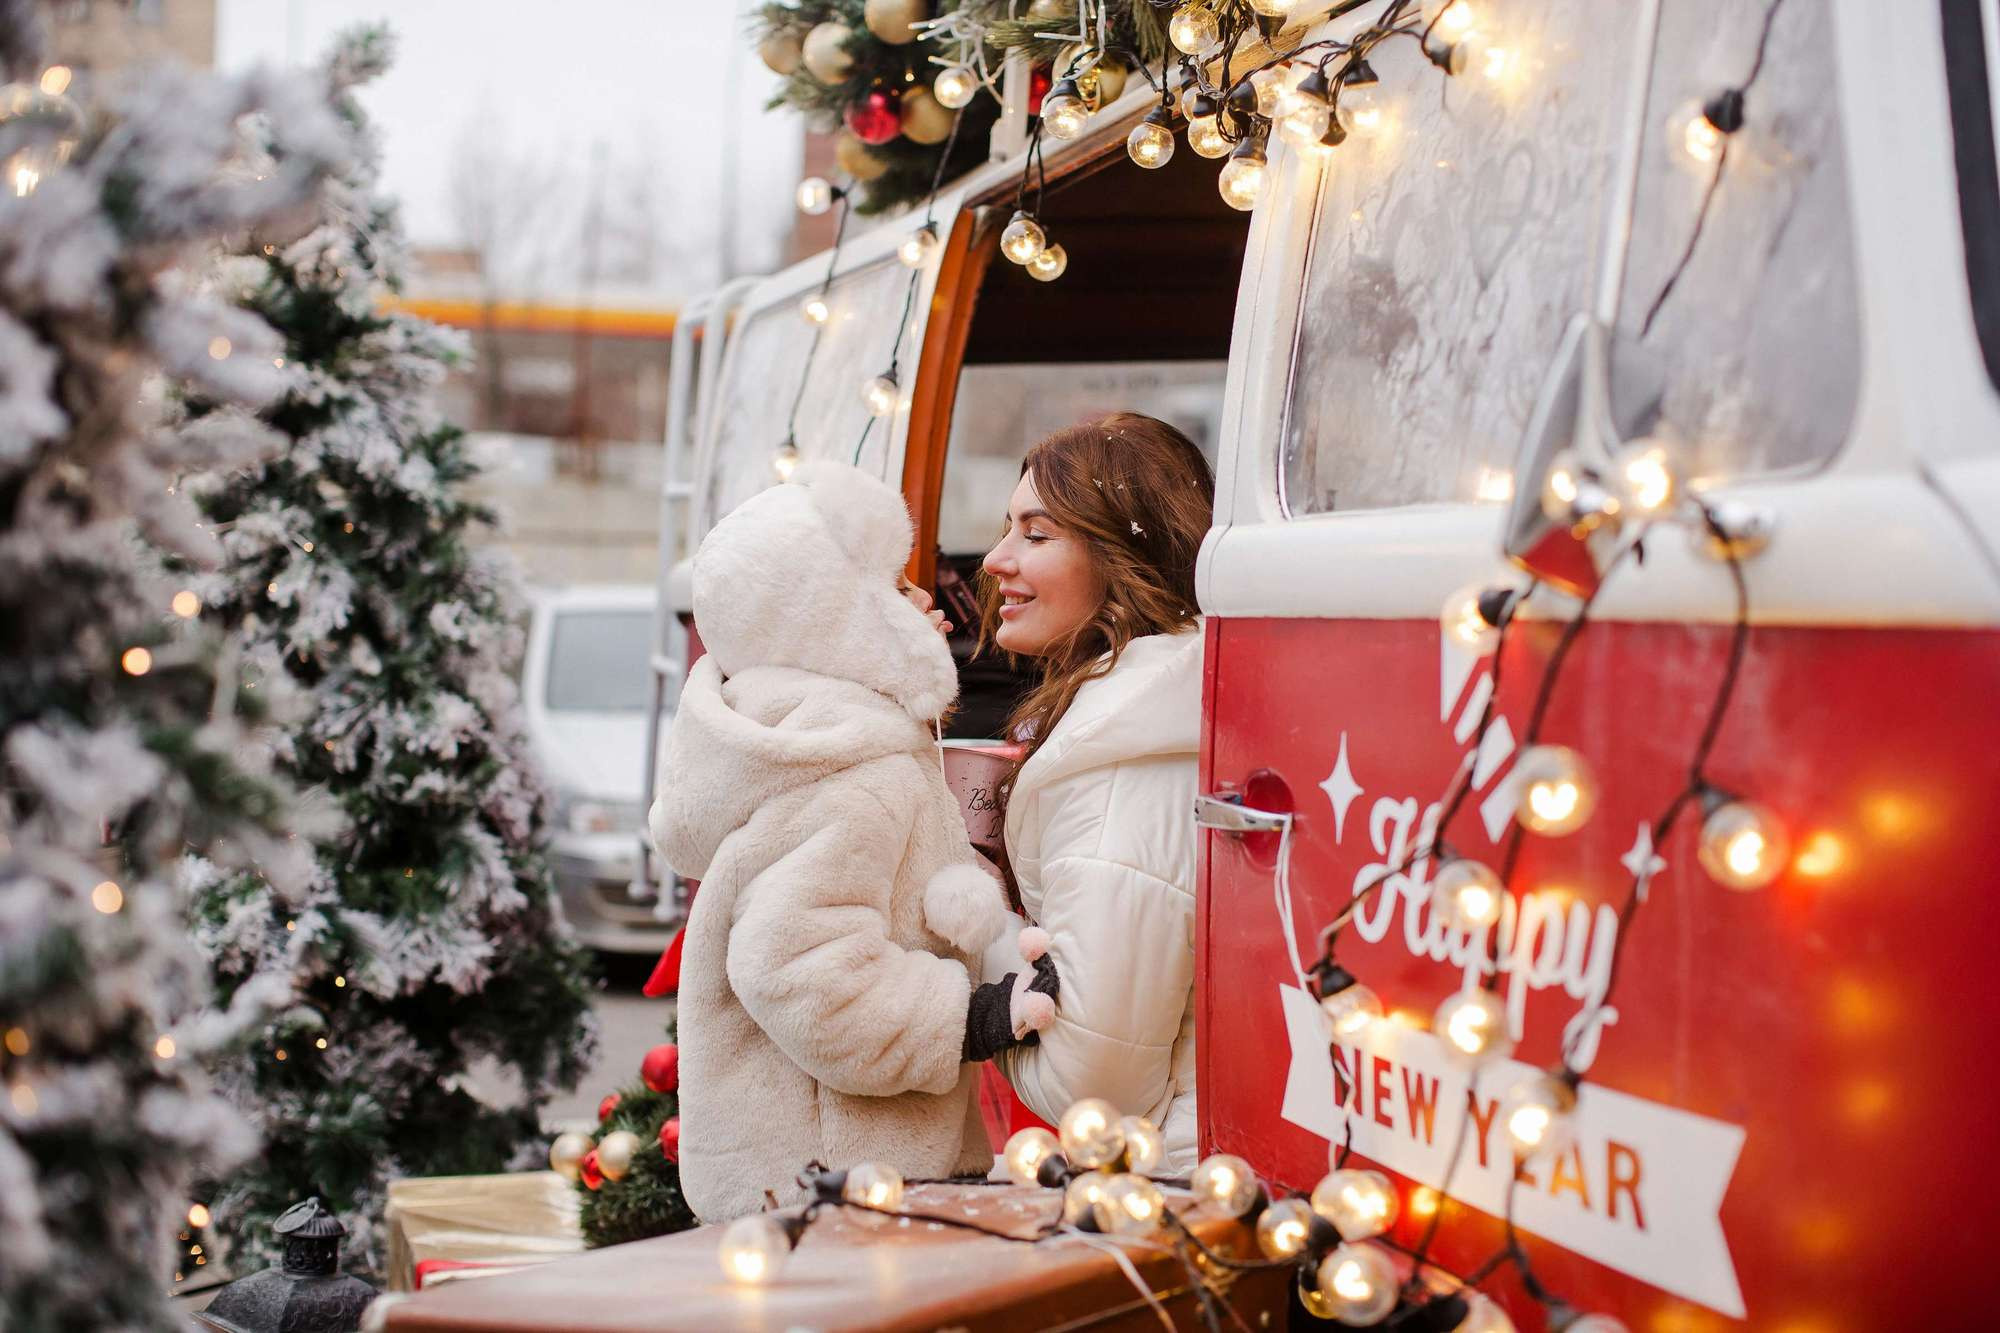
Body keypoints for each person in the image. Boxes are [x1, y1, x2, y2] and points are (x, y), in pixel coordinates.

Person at [650, 461, 1055, 1222]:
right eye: (896, 591)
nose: (927, 602)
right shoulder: (852, 775)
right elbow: (798, 968)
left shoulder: (811, 741)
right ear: (839, 619)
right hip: (840, 1190)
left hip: (817, 1181)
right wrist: (969, 1018)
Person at [979, 412, 1213, 1173]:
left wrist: (968, 951)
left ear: (1123, 556)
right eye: (1006, 529)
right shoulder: (1135, 721)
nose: (994, 559)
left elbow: (1096, 1089)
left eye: (1036, 535)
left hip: (1159, 1199)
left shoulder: (1122, 765)